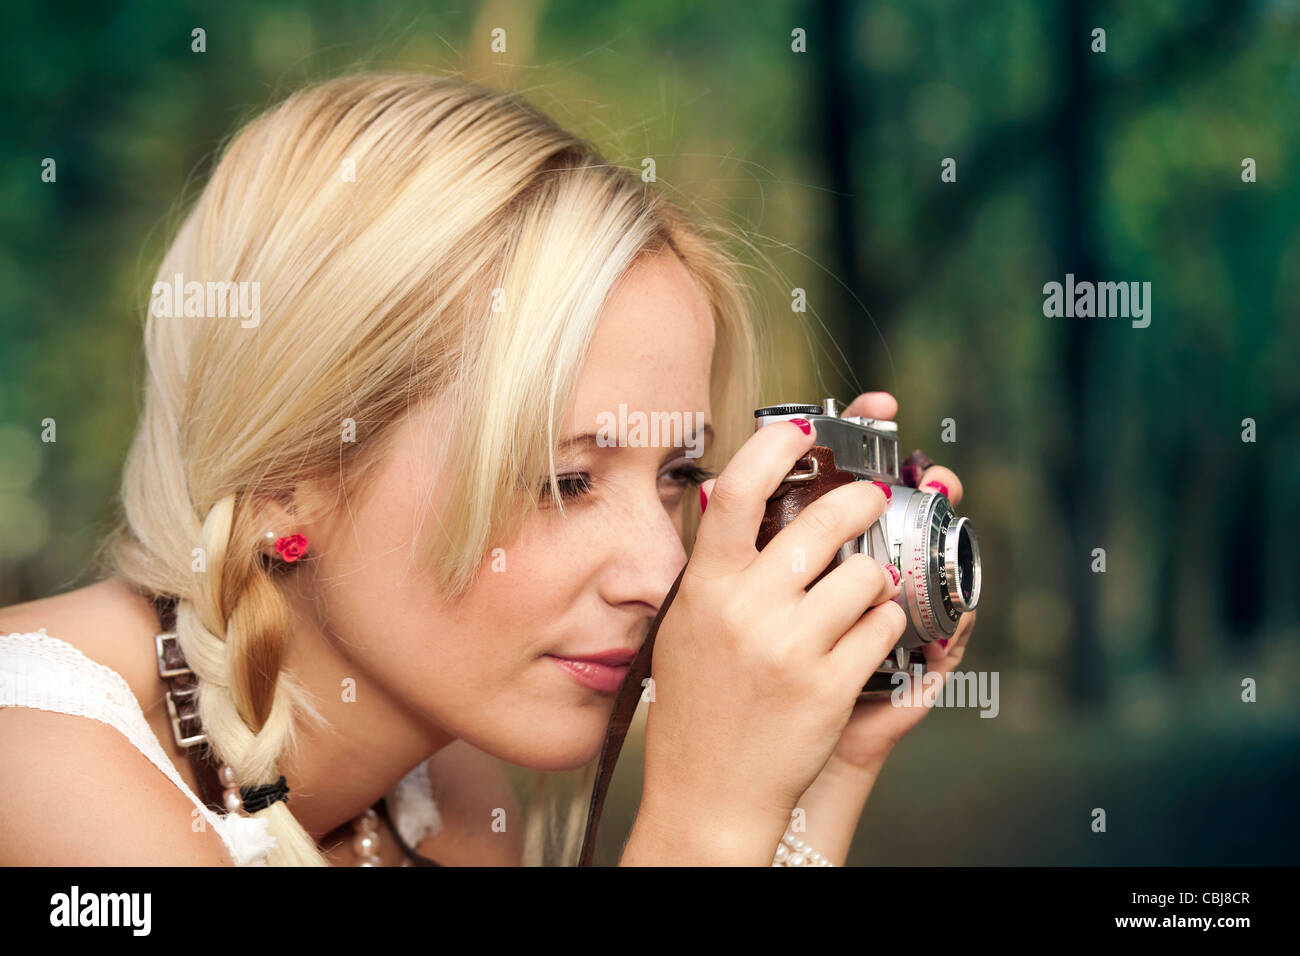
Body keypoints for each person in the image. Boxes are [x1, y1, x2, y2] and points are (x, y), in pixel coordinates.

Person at [0, 73, 975, 866]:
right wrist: (703, 826)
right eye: (565, 479)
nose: (657, 570)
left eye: (677, 473)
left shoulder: (439, 793)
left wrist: (816, 781)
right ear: (283, 478)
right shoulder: (39, 777)